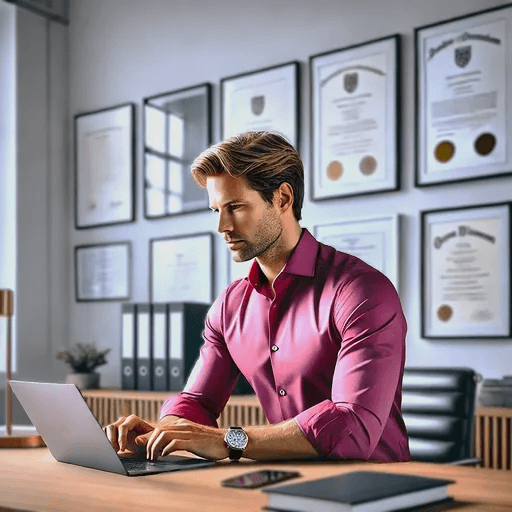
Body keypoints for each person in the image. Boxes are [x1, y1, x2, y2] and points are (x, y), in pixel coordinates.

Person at [105, 131, 410, 463]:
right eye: (216, 210)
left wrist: (229, 440)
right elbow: (198, 403)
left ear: (282, 198)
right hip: (283, 481)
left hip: (377, 488)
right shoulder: (230, 306)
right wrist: (165, 433)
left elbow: (353, 426)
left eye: (235, 207)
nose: (222, 225)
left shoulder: (361, 291)